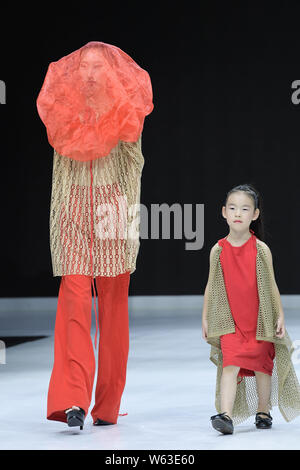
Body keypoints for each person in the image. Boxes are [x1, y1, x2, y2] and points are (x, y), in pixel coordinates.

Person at [36, 41, 153, 430]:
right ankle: (72, 399)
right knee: (73, 299)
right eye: (83, 66)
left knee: (113, 307)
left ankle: (107, 404)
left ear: (110, 73)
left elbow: (133, 164)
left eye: (97, 67)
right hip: (70, 212)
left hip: (113, 215)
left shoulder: (127, 111)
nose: (88, 73)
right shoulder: (61, 110)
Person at [202, 183, 300, 434]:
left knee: (261, 367)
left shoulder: (260, 250)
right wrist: (205, 318)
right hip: (230, 321)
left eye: (245, 209)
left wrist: (279, 315)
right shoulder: (218, 250)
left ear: (254, 215)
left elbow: (271, 285)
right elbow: (211, 287)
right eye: (233, 208)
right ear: (224, 212)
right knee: (230, 364)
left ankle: (263, 410)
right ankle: (225, 414)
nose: (238, 213)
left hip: (259, 321)